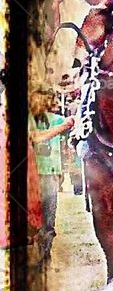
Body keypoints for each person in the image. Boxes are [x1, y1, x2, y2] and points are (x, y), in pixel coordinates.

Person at [28, 89, 74, 260]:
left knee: (49, 220)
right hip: (31, 176)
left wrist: (73, 120)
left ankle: (45, 256)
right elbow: (35, 137)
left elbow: (74, 123)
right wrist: (62, 127)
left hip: (51, 175)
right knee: (32, 219)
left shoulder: (57, 119)